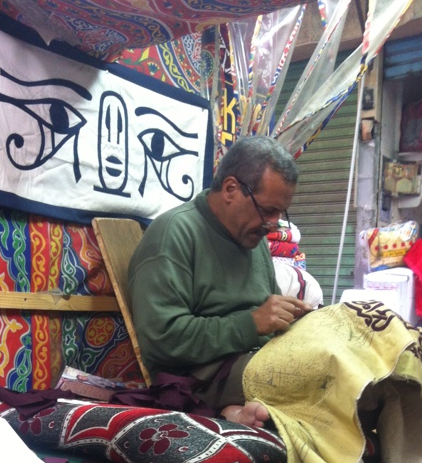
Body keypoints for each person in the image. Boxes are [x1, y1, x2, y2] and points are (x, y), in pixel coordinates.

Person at [128, 135, 313, 427]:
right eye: (267, 210)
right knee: (323, 373)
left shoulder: (252, 238)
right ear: (230, 189)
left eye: (280, 212)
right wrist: (251, 324)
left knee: (373, 362)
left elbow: (270, 320)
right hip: (205, 377)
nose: (274, 224)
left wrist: (297, 322)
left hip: (255, 360)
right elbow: (162, 340)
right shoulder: (174, 233)